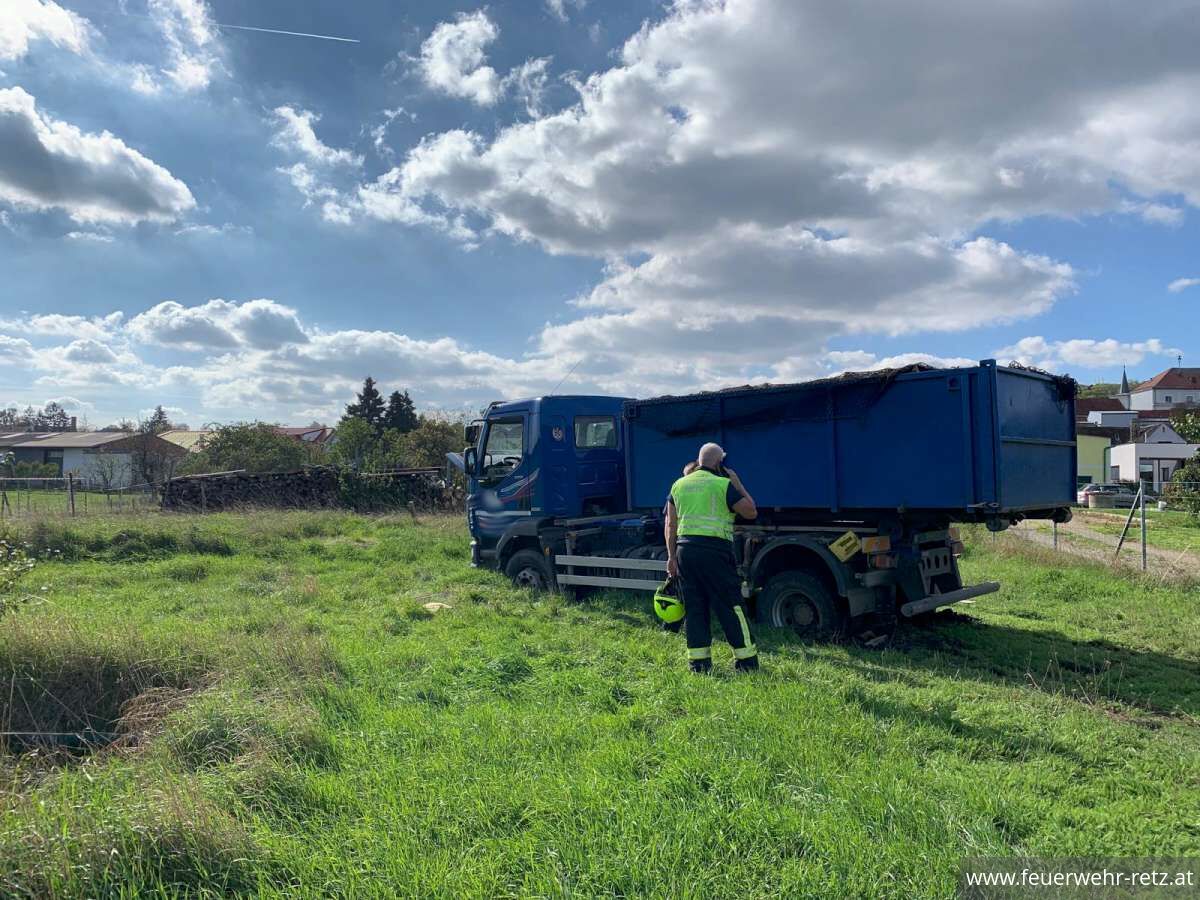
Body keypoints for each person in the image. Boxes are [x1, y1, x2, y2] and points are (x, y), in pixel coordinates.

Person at [664, 443, 759, 673]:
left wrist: (671, 558)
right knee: (730, 605)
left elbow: (670, 525)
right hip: (715, 552)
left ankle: (699, 664)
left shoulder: (678, 484)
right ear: (719, 463)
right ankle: (746, 663)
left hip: (685, 552)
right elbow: (751, 512)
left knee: (695, 607)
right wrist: (737, 483)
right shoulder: (723, 484)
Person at [657, 461, 700, 634]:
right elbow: (669, 524)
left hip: (683, 547)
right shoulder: (684, 493)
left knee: (680, 587)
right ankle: (672, 626)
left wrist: (672, 555)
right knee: (679, 588)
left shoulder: (679, 491)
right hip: (686, 546)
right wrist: (671, 554)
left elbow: (669, 525)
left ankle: (673, 627)